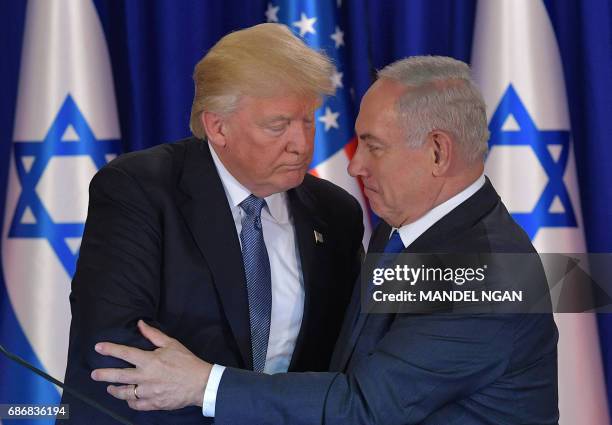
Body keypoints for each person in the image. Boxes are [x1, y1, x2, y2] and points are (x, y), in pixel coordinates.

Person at [92, 56, 559, 424]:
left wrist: (204, 385)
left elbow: (364, 407)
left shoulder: (487, 272)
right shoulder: (405, 231)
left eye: (373, 146)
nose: (354, 167)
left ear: (437, 152)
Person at [60, 23, 364, 424]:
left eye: (308, 121)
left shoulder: (336, 212)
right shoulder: (139, 190)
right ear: (218, 126)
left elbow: (344, 350)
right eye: (279, 125)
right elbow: (117, 347)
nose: (302, 143)